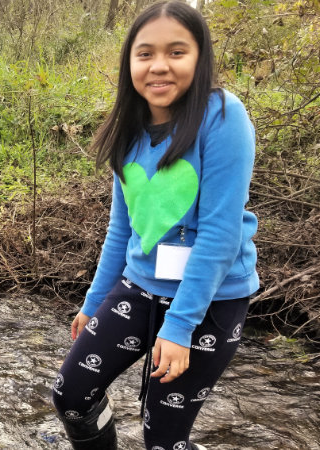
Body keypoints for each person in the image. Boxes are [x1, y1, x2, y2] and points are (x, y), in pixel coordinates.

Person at [51, 2, 259, 449]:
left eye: (176, 52)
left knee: (162, 438)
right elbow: (121, 230)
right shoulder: (127, 128)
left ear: (200, 58)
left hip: (211, 301)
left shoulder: (222, 117)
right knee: (70, 395)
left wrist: (180, 326)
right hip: (140, 287)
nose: (159, 66)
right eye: (145, 54)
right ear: (129, 63)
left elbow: (220, 234)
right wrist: (94, 301)